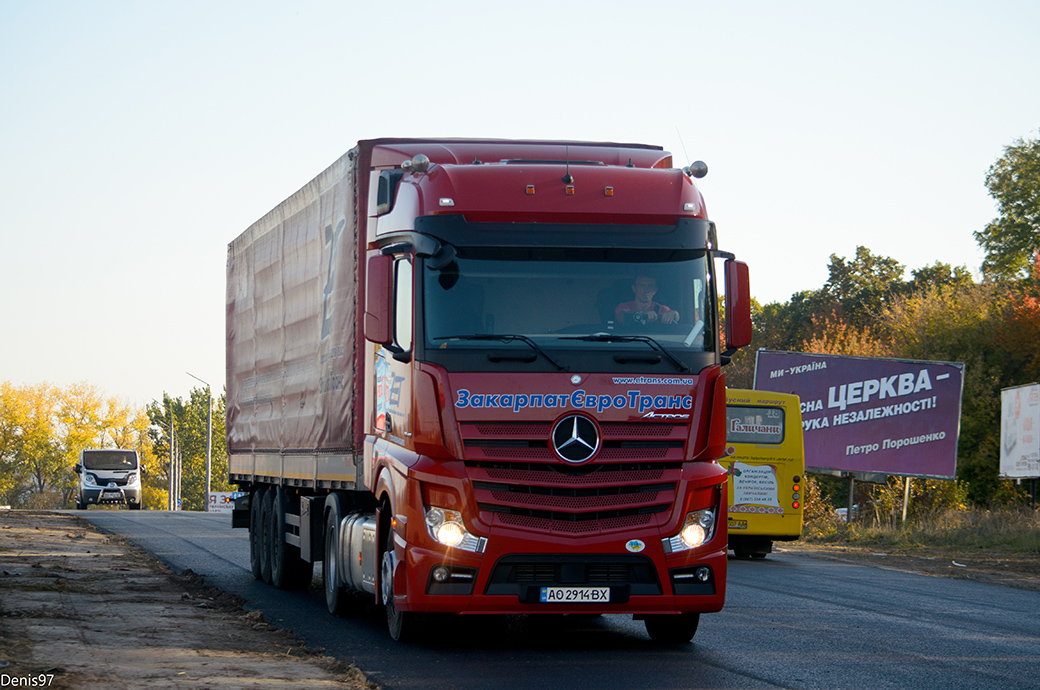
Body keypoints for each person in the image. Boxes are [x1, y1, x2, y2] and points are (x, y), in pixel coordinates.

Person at [614, 275, 679, 325]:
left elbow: (675, 318)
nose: (646, 290)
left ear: (655, 290)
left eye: (650, 286)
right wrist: (643, 315)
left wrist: (674, 313)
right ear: (634, 289)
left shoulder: (661, 309)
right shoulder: (624, 307)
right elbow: (621, 317)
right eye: (642, 285)